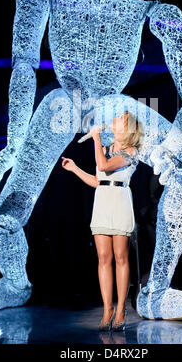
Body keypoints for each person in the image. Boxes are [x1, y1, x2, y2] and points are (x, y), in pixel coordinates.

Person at [62, 110, 144, 331]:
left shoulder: (131, 152)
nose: (113, 121)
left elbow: (106, 166)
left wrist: (96, 138)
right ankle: (107, 308)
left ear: (126, 127)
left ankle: (120, 310)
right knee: (103, 258)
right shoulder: (106, 150)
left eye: (119, 119)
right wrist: (75, 169)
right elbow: (99, 180)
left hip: (120, 202)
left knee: (120, 257)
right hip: (102, 202)